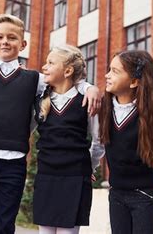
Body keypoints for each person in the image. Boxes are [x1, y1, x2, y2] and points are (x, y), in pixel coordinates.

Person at [0, 14, 101, 234]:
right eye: (0, 37)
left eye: (12, 37)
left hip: (14, 163)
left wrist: (91, 87)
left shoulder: (36, 80)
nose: (5, 41)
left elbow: (68, 79)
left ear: (23, 44)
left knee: (5, 226)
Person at [100, 50, 153, 234]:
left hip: (144, 195)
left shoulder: (151, 115)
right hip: (117, 194)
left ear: (134, 81)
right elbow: (98, 145)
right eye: (109, 70)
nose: (107, 75)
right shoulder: (104, 110)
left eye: (115, 71)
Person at [33, 45, 105, 234]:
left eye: (50, 63)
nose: (44, 67)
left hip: (75, 177)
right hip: (46, 175)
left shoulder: (86, 100)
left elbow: (99, 141)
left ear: (67, 70)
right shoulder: (41, 99)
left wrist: (90, 166)